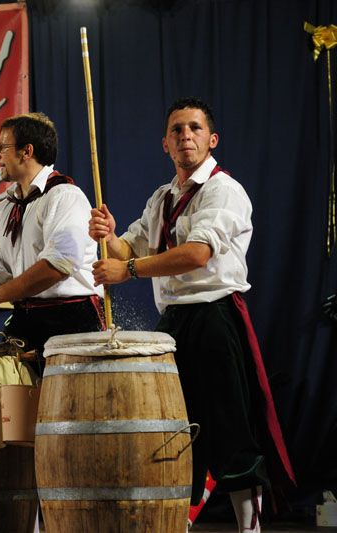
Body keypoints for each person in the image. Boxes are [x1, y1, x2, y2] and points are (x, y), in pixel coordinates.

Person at [88, 97, 295, 532]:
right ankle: (177, 519)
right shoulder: (163, 197)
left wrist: (126, 270)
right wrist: (109, 237)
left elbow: (197, 254)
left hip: (216, 316)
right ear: (165, 143)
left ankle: (249, 527)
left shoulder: (223, 190)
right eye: (177, 130)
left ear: (211, 139)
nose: (186, 136)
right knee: (177, 427)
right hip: (174, 324)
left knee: (230, 425)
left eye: (195, 129)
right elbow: (133, 247)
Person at [0, 112, 103, 356]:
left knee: (66, 394)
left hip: (71, 317)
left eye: (2, 147)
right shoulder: (3, 210)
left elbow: (57, 267)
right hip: (26, 316)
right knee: (8, 387)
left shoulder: (65, 196)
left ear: (26, 151)